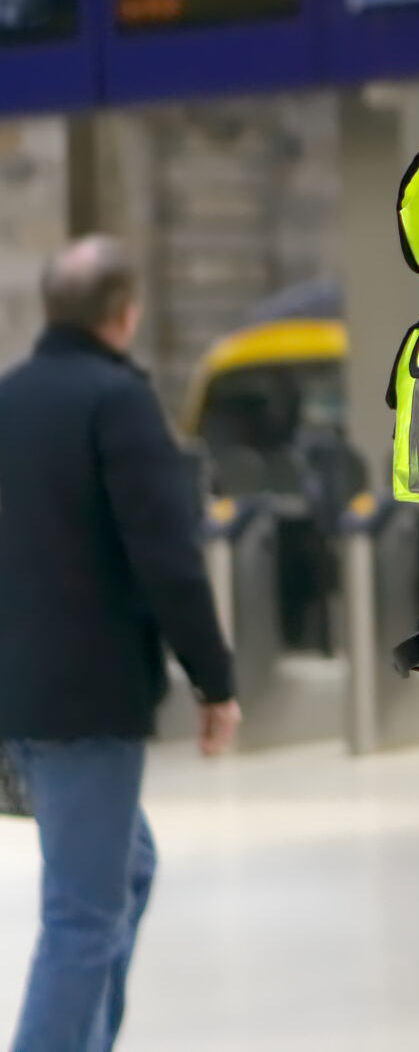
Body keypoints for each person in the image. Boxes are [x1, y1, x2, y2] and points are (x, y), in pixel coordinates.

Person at [0, 236, 239, 1052]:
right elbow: (167, 557)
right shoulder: (117, 401)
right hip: (84, 700)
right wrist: (215, 680)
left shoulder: (10, 398)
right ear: (125, 313)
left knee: (125, 868)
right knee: (80, 917)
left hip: (20, 694)